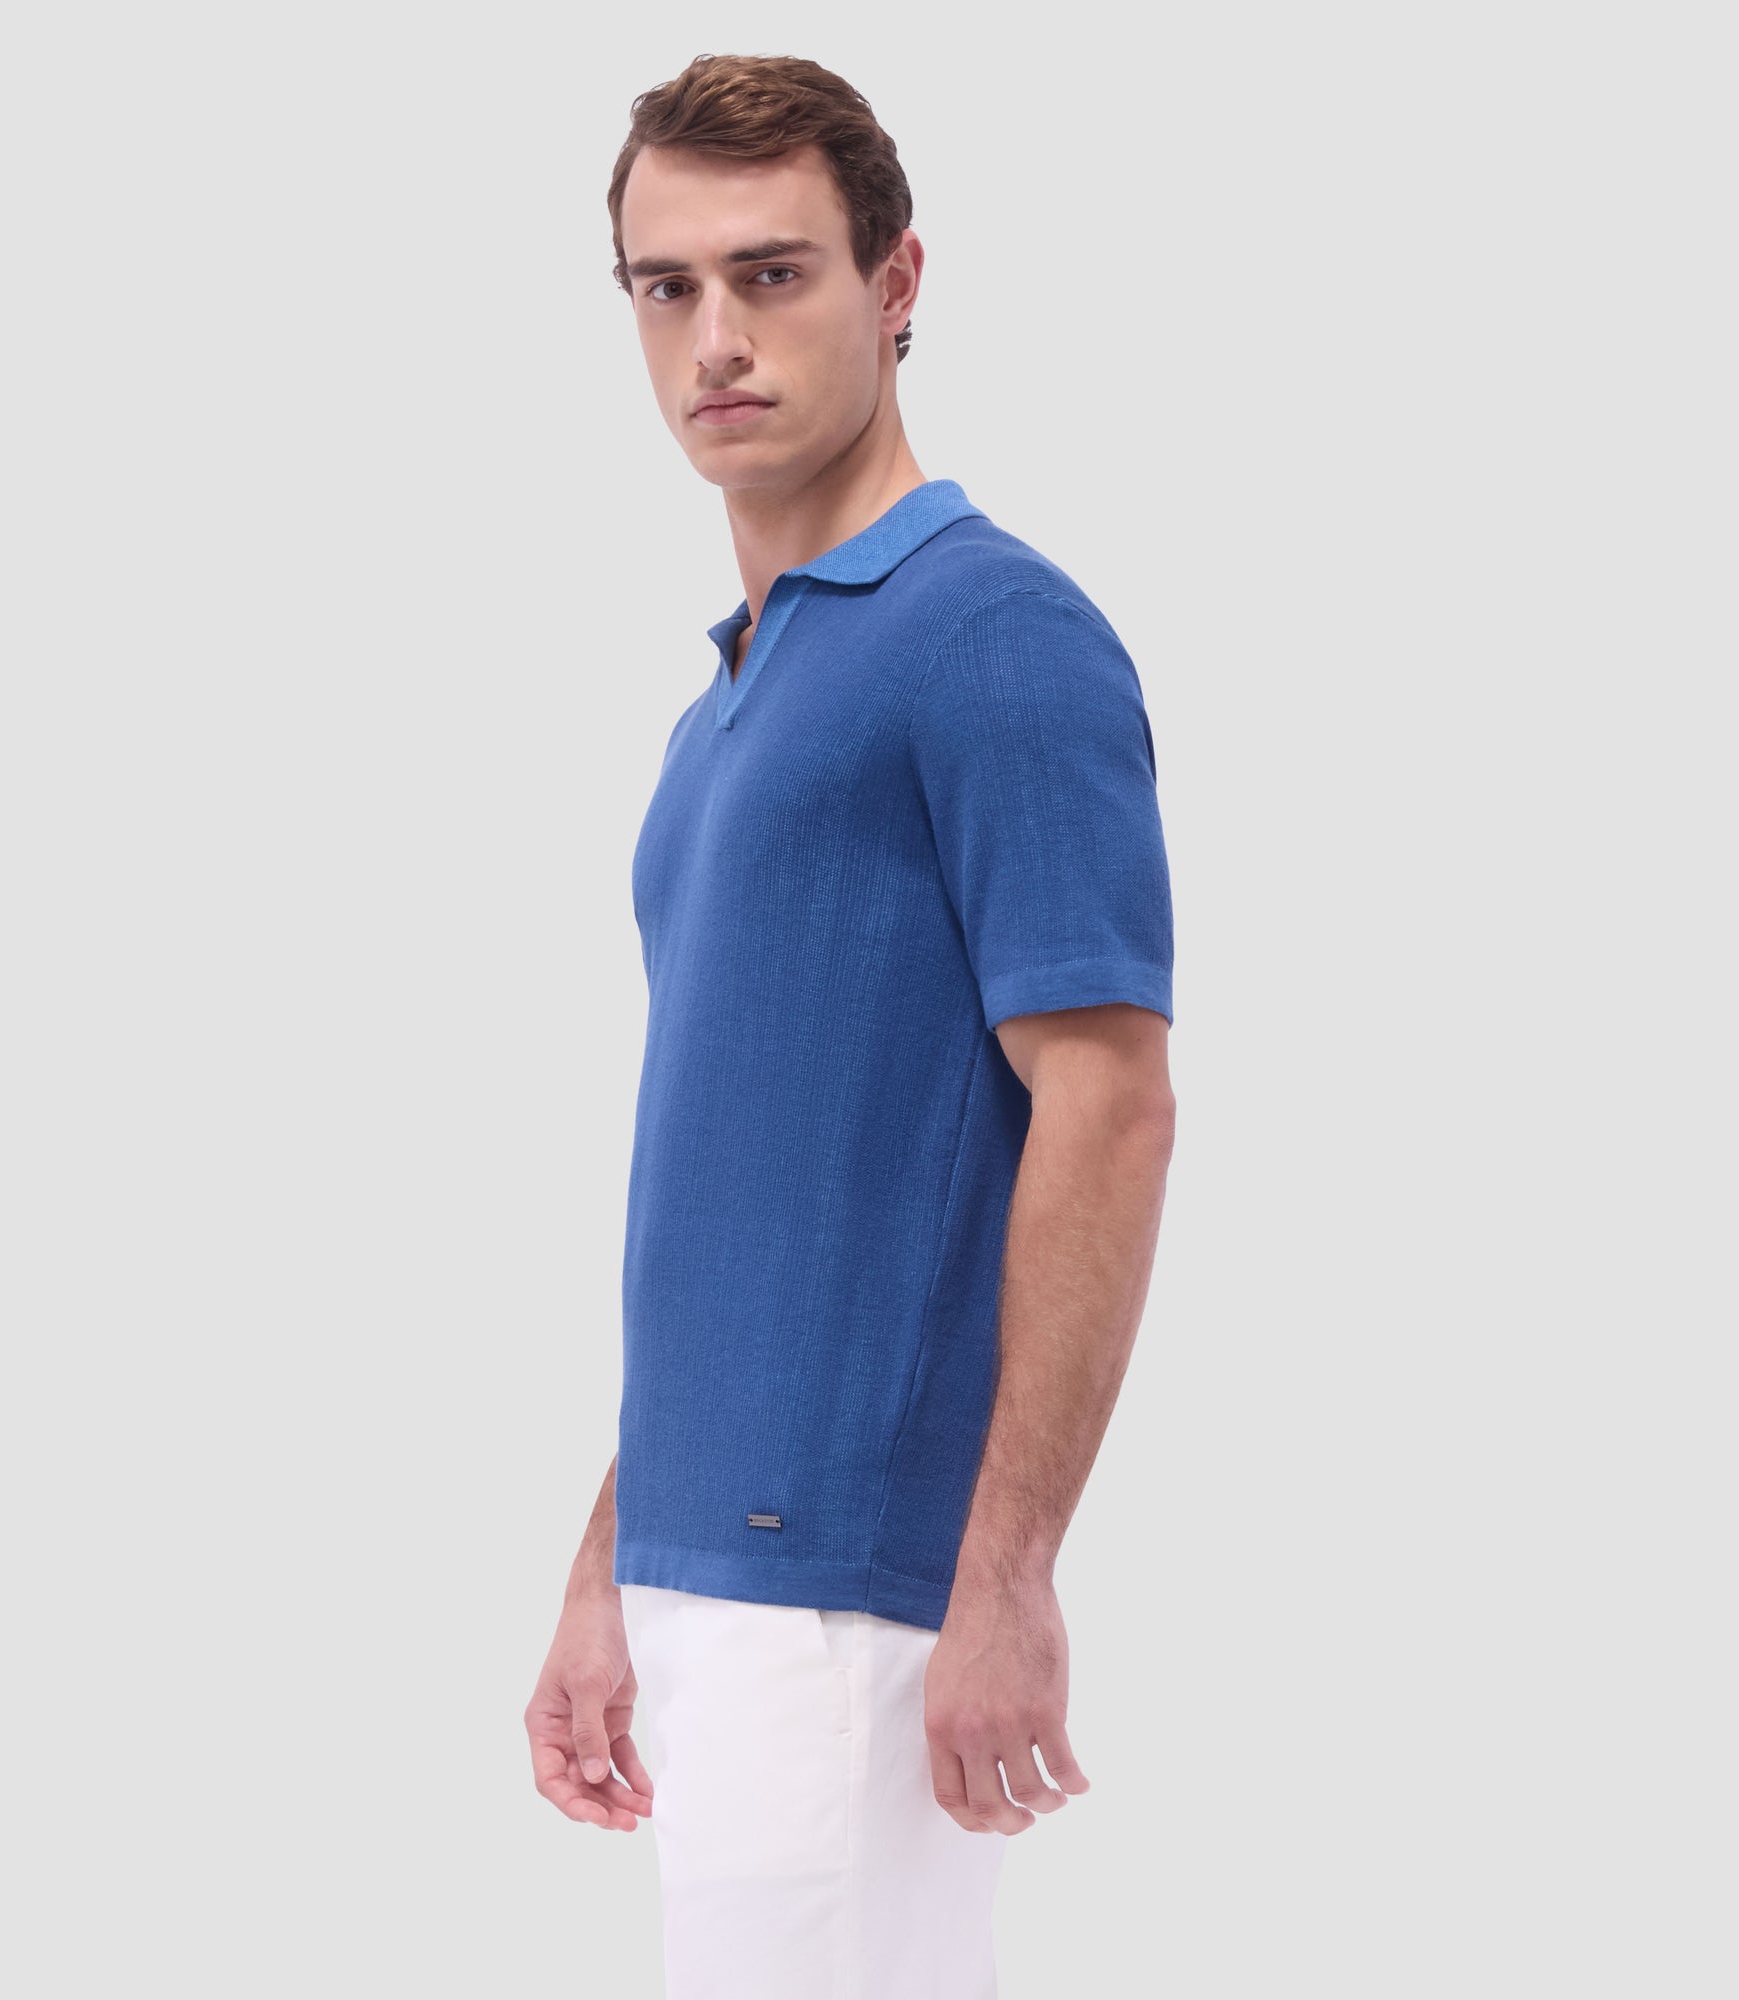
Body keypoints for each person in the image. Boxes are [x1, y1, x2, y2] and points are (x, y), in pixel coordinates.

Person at [526, 52, 1176, 1999]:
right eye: (667, 286)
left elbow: (1109, 1101)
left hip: (848, 1600)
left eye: (773, 274)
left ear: (895, 286)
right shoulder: (724, 710)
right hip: (710, 1580)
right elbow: (741, 1183)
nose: (715, 338)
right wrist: (609, 1561)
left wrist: (1009, 1569)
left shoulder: (991, 636)